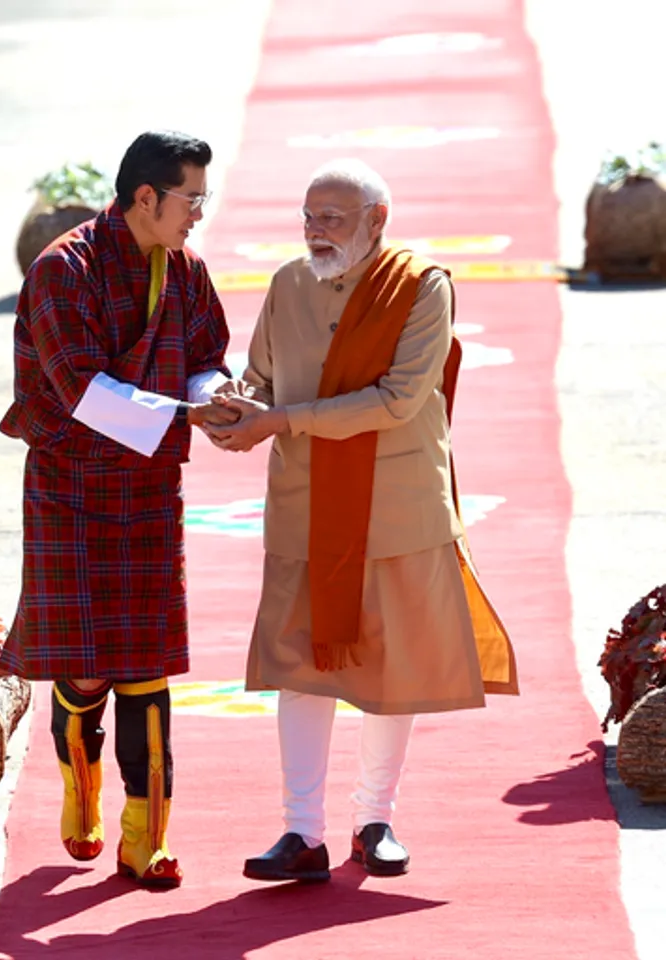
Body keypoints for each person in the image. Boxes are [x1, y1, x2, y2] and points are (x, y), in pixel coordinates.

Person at [205, 158, 519, 882]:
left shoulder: (420, 287)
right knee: (300, 670)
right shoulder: (287, 284)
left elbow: (398, 399)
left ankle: (374, 820)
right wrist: (234, 405)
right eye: (309, 217)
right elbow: (262, 373)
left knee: (390, 669)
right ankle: (300, 833)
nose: (316, 232)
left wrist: (279, 419)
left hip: (395, 507)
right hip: (304, 505)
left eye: (333, 219)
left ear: (377, 221)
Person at [0, 130, 238, 889]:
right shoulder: (62, 270)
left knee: (147, 672)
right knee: (88, 672)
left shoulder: (186, 270)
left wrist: (215, 394)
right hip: (70, 485)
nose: (199, 212)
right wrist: (186, 418)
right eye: (190, 198)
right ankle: (81, 789)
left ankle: (146, 833)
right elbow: (81, 394)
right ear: (145, 198)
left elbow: (207, 355)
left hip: (148, 488)